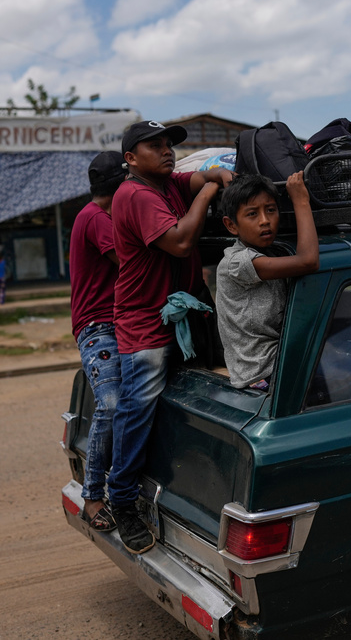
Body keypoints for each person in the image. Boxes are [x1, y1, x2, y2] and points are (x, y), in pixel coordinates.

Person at [109, 120, 233, 554]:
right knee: (137, 409)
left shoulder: (167, 184)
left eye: (168, 145)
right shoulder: (136, 194)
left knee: (193, 401)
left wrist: (216, 174)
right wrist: (207, 192)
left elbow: (200, 175)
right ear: (130, 159)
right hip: (145, 322)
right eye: (154, 146)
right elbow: (180, 242)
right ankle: (122, 500)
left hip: (181, 316)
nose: (166, 151)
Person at [215, 171, 319, 390]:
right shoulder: (237, 262)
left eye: (271, 210)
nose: (265, 221)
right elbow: (308, 261)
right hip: (262, 371)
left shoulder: (272, 252)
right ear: (231, 225)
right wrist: (300, 200)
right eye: (252, 214)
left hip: (283, 359)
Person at [68, 151, 127, 533]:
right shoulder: (96, 219)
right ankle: (92, 498)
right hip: (98, 326)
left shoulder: (94, 216)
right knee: (110, 404)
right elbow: (130, 261)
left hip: (112, 324)